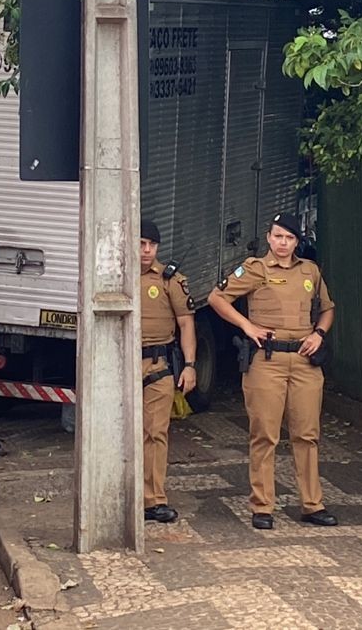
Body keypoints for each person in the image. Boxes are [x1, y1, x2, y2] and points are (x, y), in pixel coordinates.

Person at [208, 213, 337, 529]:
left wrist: (319, 333)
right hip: (267, 361)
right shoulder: (255, 269)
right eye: (278, 236)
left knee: (307, 434)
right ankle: (262, 506)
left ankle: (312, 504)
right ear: (269, 237)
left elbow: (328, 308)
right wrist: (246, 325)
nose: (283, 243)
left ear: (297, 241)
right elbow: (216, 298)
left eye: (289, 238)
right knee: (265, 433)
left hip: (305, 362)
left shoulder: (310, 270)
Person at [139, 219, 197, 523]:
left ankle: (153, 499)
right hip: (118, 367)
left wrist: (189, 365)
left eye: (152, 245)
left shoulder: (169, 280)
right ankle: (118, 494)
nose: (147, 250)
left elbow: (186, 322)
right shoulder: (112, 275)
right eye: (141, 243)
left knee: (155, 433)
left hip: (158, 367)